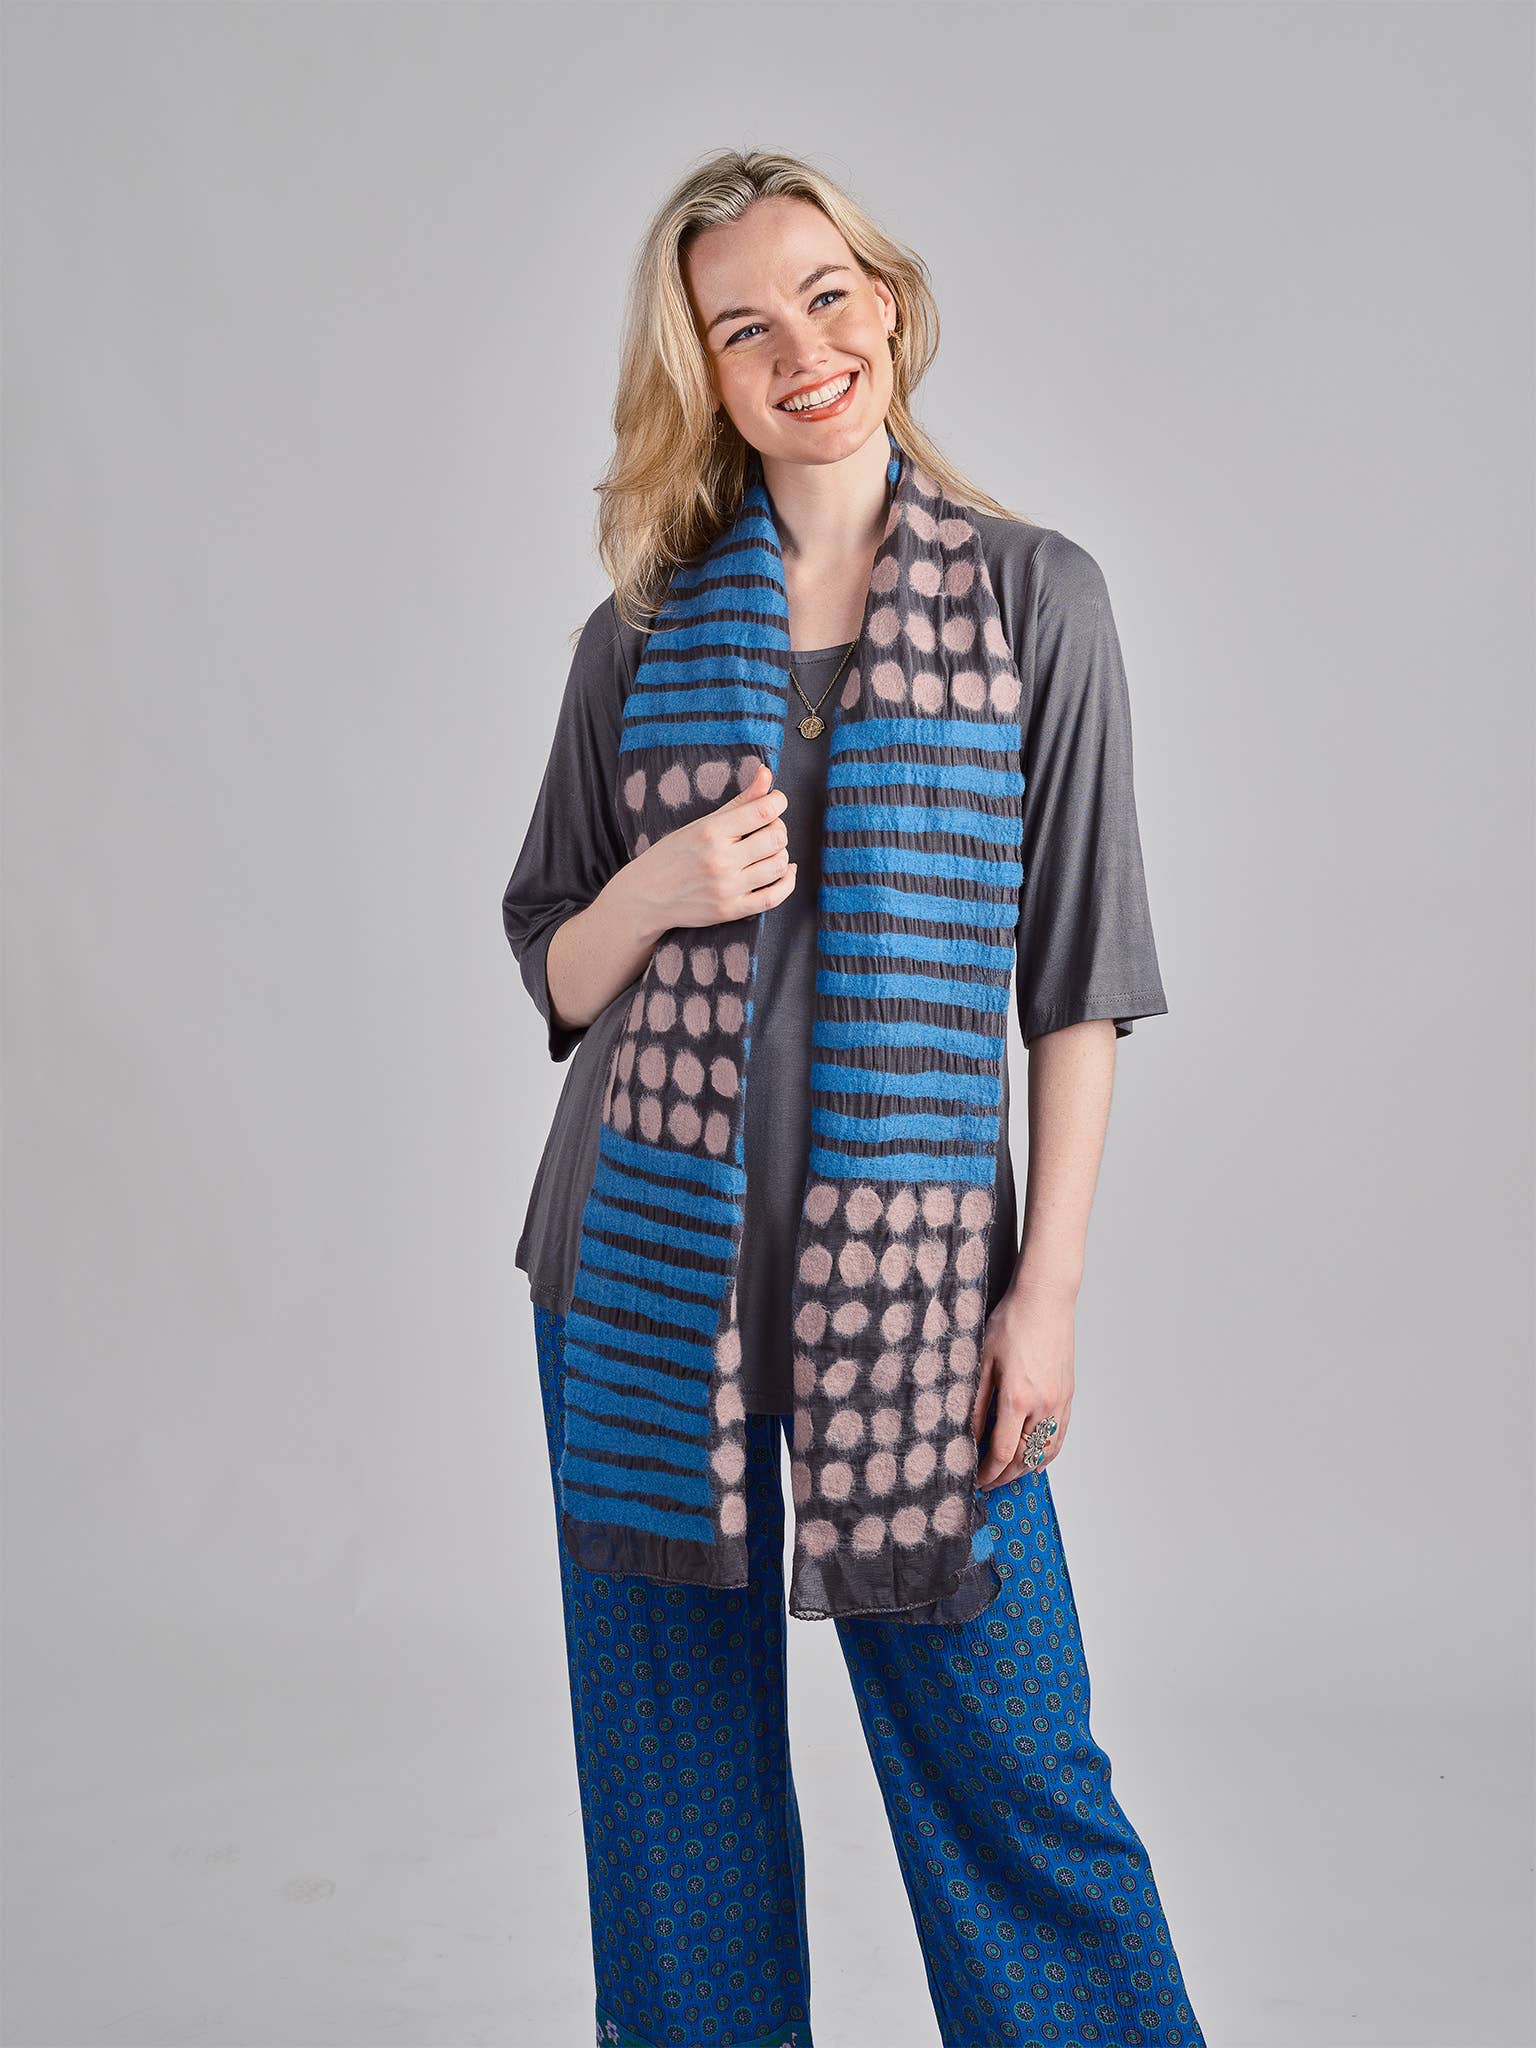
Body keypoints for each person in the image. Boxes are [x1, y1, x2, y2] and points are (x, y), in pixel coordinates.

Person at [502, 148, 1206, 2048]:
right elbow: (554, 959)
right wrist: (660, 887)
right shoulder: (641, 633)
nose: (800, 348)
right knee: (672, 1801)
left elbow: (1079, 981)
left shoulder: (1037, 599)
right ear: (706, 378)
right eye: (743, 327)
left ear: (885, 303)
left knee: (1016, 1771)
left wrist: (1043, 1293)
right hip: (640, 1281)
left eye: (825, 296)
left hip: (917, 1290)